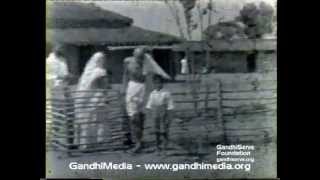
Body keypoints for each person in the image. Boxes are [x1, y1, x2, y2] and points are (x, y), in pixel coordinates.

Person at [74, 52, 108, 150]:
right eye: (103, 59)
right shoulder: (100, 71)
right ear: (100, 60)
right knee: (100, 120)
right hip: (97, 97)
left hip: (86, 99)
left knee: (86, 120)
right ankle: (99, 142)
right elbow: (104, 86)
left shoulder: (87, 72)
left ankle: (83, 144)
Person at [146, 74, 174, 153]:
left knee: (164, 131)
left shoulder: (166, 92)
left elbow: (170, 105)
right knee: (156, 131)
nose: (158, 85)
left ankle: (165, 147)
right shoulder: (152, 93)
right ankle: (158, 147)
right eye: (156, 83)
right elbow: (149, 105)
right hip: (155, 113)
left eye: (159, 83)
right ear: (154, 84)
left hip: (164, 113)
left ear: (162, 83)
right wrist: (149, 114)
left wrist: (169, 116)